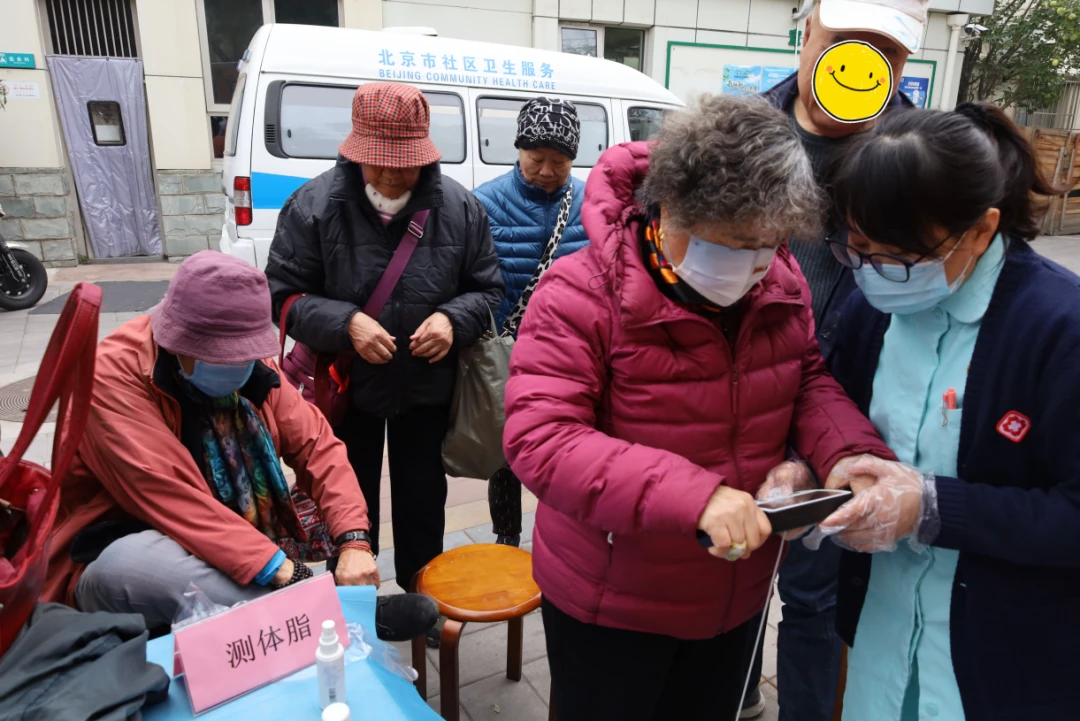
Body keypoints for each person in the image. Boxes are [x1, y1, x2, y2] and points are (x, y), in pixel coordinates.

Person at [502, 95, 894, 721]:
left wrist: (847, 453)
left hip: (736, 590)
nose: (754, 265)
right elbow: (542, 439)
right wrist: (697, 497)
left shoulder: (779, 282)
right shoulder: (581, 291)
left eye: (769, 245)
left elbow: (805, 379)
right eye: (734, 245)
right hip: (613, 598)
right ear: (669, 211)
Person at [820, 104, 1079, 719]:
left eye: (903, 256)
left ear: (982, 230)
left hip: (1003, 656)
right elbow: (829, 406)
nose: (877, 272)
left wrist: (933, 508)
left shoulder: (1058, 329)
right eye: (859, 247)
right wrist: (807, 471)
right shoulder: (870, 308)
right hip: (880, 631)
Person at [42, 251, 437, 641]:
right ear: (177, 341)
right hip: (114, 548)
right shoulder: (108, 378)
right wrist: (286, 571)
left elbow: (317, 445)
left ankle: (317, 612)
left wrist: (354, 539)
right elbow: (170, 497)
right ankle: (334, 619)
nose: (238, 365)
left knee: (269, 550)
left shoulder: (252, 363)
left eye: (244, 355)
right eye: (222, 357)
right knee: (145, 563)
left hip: (226, 537)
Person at [264, 82, 503, 633]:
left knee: (424, 498)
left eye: (405, 164)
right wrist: (346, 324)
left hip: (428, 387)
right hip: (347, 389)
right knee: (348, 500)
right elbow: (281, 296)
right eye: (379, 163)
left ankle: (424, 604)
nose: (392, 176)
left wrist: (452, 320)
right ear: (356, 151)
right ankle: (354, 614)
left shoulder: (460, 208)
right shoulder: (313, 206)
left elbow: (488, 288)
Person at [750, 0, 924, 716]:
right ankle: (733, 691)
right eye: (848, 38)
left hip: (847, 413)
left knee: (814, 598)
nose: (863, 64)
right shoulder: (744, 133)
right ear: (808, 30)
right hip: (736, 398)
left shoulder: (917, 154)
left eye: (888, 49)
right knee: (729, 565)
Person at [473, 97, 588, 547]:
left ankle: (562, 538)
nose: (546, 171)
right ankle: (507, 538)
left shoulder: (590, 203)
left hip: (572, 355)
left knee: (568, 448)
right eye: (536, 158)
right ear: (519, 150)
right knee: (506, 451)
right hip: (509, 354)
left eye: (559, 161)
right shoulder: (484, 203)